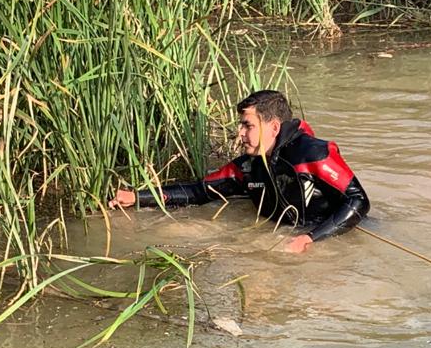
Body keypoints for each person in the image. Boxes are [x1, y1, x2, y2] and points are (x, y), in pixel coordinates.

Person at [111, 90, 370, 253]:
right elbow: (200, 191)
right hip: (288, 234)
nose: (240, 133)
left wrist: (309, 239)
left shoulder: (313, 154)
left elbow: (359, 201)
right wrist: (138, 197)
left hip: (327, 233)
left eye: (247, 125)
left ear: (274, 127)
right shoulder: (247, 167)